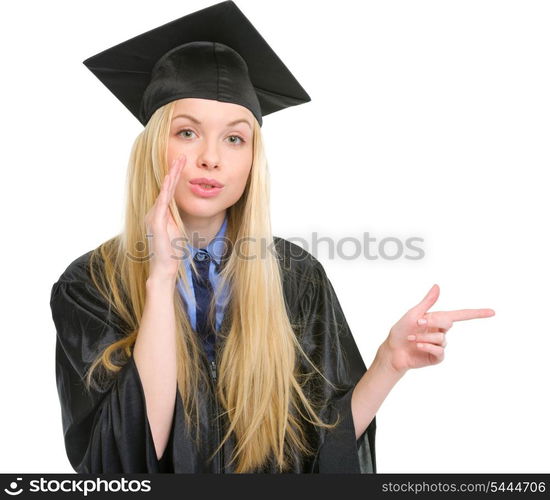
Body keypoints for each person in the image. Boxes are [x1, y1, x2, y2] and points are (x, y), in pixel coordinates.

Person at [50, 0, 496, 474]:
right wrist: (161, 280)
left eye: (234, 138)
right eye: (186, 132)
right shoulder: (90, 285)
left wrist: (388, 362)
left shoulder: (295, 276)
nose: (210, 157)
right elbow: (122, 459)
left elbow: (319, 446)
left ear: (251, 161)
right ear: (153, 146)